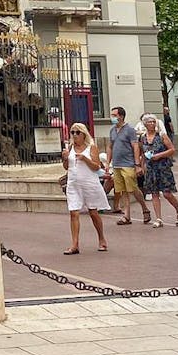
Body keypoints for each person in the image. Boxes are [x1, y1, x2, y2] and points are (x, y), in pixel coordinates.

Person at [61, 123, 110, 253]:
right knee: (73, 212)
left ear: (84, 134)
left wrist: (85, 159)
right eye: (72, 132)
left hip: (89, 184)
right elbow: (66, 167)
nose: (75, 135)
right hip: (73, 184)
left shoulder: (91, 148)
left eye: (77, 132)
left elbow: (96, 167)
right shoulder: (70, 148)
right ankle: (75, 244)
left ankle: (101, 238)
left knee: (93, 212)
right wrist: (65, 158)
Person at [138, 114, 178, 228]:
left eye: (154, 122)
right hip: (150, 168)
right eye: (149, 122)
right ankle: (158, 218)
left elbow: (172, 149)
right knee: (154, 193)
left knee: (167, 193)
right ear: (145, 124)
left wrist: (159, 155)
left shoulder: (162, 136)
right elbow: (142, 153)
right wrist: (141, 166)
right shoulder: (142, 138)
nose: (152, 124)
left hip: (163, 167)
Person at [108, 106, 152, 225]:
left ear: (121, 116)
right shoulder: (112, 130)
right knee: (123, 191)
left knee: (132, 188)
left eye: (114, 115)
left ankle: (145, 208)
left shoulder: (130, 130)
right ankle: (127, 216)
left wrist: (137, 164)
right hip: (116, 164)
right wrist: (108, 163)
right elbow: (110, 146)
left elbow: (135, 146)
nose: (112, 118)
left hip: (128, 163)